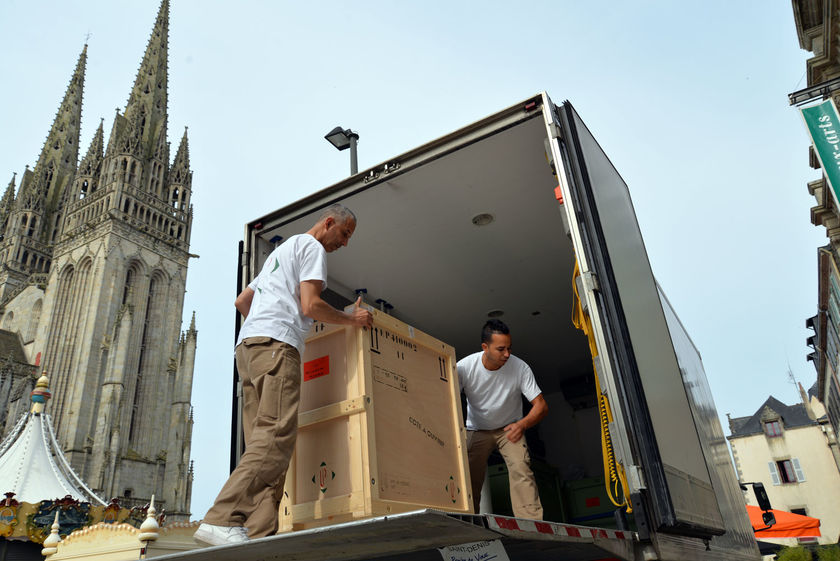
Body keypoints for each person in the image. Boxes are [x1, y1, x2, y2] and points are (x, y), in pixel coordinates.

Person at [194, 204, 373, 546]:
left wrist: (269, 320)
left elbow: (243, 302)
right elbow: (310, 306)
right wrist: (352, 319)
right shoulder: (312, 247)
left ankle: (257, 533)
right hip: (277, 346)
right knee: (275, 437)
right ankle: (220, 517)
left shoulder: (279, 253)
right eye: (345, 234)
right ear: (329, 223)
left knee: (265, 443)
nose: (345, 243)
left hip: (250, 348)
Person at [457, 319, 548, 519]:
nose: (507, 354)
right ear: (485, 347)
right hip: (477, 429)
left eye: (509, 348)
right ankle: (468, 523)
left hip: (510, 429)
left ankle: (531, 524)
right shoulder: (464, 367)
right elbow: (445, 398)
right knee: (468, 478)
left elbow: (541, 406)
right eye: (501, 349)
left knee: (522, 470)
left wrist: (521, 425)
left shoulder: (520, 367)